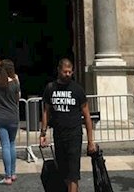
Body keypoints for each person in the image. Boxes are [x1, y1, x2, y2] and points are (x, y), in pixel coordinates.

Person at [39, 58, 96, 192]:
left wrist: (90, 141)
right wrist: (43, 133)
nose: (68, 74)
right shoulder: (50, 88)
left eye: (70, 72)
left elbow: (87, 116)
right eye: (65, 72)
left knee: (73, 173)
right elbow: (46, 111)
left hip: (74, 134)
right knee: (63, 171)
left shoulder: (77, 90)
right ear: (59, 70)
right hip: (58, 134)